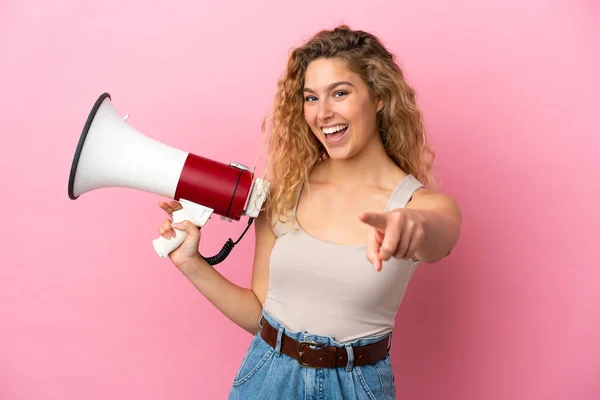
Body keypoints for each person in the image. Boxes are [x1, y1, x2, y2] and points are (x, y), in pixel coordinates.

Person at [157, 25, 461, 399]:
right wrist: (190, 262)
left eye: (340, 93)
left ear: (378, 96)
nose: (323, 113)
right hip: (266, 377)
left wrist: (412, 227)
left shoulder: (416, 205)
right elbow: (259, 313)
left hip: (355, 386)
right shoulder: (285, 191)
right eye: (311, 98)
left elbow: (441, 234)